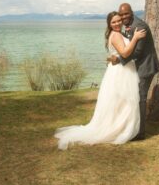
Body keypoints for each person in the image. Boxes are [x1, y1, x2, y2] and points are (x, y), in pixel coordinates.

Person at [54, 11, 146, 150]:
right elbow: (125, 53)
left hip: (119, 70)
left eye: (118, 21)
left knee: (120, 102)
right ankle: (119, 129)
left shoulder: (116, 34)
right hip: (122, 72)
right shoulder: (115, 35)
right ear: (109, 24)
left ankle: (121, 127)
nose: (117, 24)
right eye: (113, 22)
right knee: (125, 100)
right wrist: (136, 38)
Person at [109, 3, 159, 140]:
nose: (124, 16)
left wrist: (119, 60)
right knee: (134, 98)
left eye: (126, 13)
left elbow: (137, 51)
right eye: (122, 14)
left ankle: (140, 133)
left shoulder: (140, 26)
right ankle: (132, 126)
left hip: (145, 67)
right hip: (137, 67)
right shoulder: (128, 26)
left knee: (140, 99)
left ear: (131, 12)